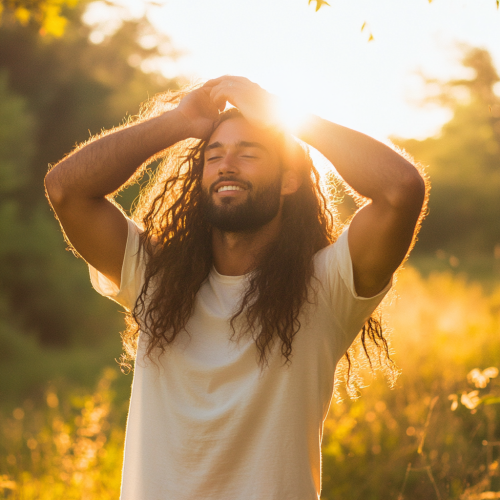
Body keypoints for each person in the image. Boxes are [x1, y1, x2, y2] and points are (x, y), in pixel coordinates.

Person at [44, 76, 427, 500]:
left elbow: (400, 190)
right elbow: (66, 189)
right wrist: (179, 121)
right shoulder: (154, 276)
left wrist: (285, 116)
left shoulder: (327, 286)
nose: (227, 164)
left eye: (249, 154)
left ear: (288, 180)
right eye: (215, 155)